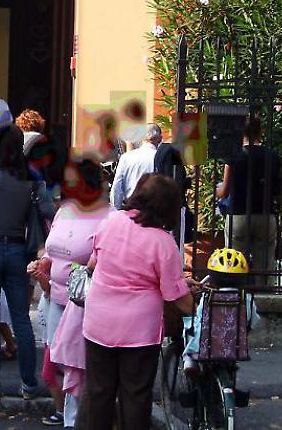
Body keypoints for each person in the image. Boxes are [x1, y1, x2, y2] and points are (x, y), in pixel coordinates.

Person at [78, 174, 195, 430]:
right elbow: (176, 297)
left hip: (98, 322)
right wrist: (195, 304)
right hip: (138, 333)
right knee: (135, 397)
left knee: (98, 393)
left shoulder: (111, 221)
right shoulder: (163, 242)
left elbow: (93, 263)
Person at [0, 124, 56, 399]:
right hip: (20, 250)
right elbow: (48, 211)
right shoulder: (31, 177)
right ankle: (29, 384)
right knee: (21, 319)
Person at [30, 159, 112, 428]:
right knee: (58, 363)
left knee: (80, 367)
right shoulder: (64, 211)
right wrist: (42, 262)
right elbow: (51, 249)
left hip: (86, 304)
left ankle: (78, 422)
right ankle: (71, 419)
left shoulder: (109, 217)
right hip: (55, 297)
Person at [216, 116, 282, 286]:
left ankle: (237, 299)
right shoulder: (273, 156)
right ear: (260, 131)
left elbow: (224, 191)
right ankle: (266, 302)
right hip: (265, 214)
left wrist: (216, 191)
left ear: (241, 132)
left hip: (238, 215)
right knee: (265, 263)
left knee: (235, 263)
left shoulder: (234, 156)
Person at [109, 124, 162, 209]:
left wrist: (116, 210)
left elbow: (117, 187)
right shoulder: (162, 157)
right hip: (155, 211)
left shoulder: (126, 158)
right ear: (160, 139)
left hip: (131, 208)